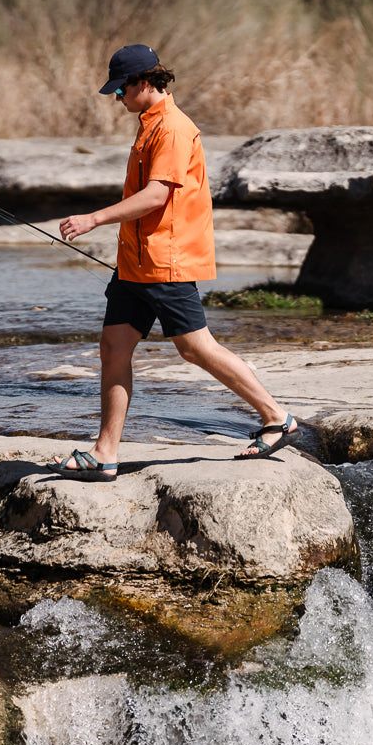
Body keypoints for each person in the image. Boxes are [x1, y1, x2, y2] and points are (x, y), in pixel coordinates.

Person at [47, 43, 298, 481]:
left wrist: (94, 219)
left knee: (194, 347)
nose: (117, 98)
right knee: (114, 346)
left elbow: (157, 195)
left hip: (166, 260)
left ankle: (277, 417)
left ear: (144, 82)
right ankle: (105, 454)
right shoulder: (149, 124)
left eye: (121, 90)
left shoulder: (174, 129)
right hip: (136, 264)